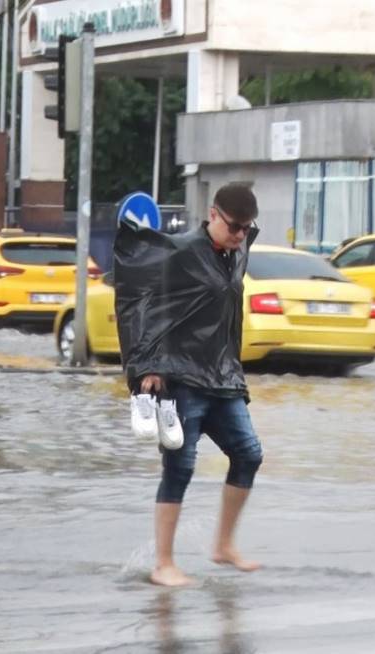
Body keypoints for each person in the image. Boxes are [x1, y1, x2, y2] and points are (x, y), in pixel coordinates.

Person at [114, 184, 265, 587]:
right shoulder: (180, 253)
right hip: (179, 376)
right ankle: (164, 563)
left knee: (249, 454)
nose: (240, 234)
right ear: (213, 215)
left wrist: (231, 367)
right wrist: (148, 365)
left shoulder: (237, 250)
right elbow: (142, 303)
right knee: (180, 466)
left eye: (247, 228)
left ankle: (223, 546)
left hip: (222, 375)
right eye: (235, 226)